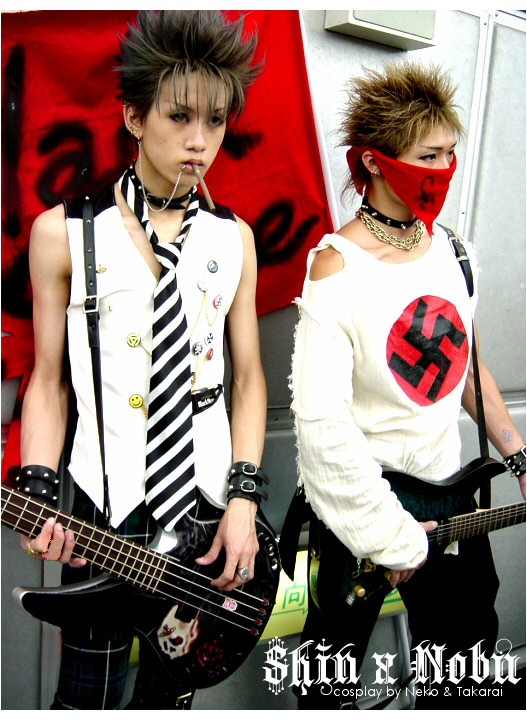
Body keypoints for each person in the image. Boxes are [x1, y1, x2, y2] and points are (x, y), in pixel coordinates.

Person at [15, 10, 268, 710]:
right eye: (179, 116)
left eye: (214, 121)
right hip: (105, 507)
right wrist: (37, 489)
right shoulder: (65, 233)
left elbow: (248, 380)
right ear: (133, 116)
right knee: (86, 699)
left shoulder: (234, 239)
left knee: (170, 696)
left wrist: (244, 499)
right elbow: (48, 381)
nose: (199, 141)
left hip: (207, 504)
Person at [286, 61, 526, 709]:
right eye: (426, 156)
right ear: (373, 161)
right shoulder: (336, 267)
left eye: (449, 153)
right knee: (328, 684)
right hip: (362, 504)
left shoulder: (453, 250)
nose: (443, 170)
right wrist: (386, 534)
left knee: (466, 676)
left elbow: (465, 367)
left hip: (452, 497)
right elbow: (321, 425)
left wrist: (519, 457)